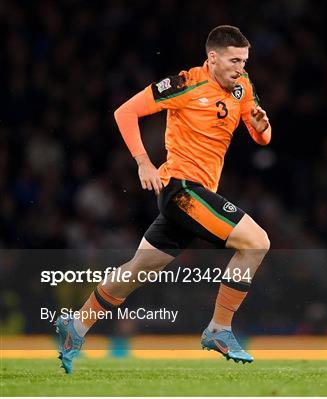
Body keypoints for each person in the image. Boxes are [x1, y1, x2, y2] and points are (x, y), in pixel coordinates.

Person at [55, 25, 271, 373]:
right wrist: (143, 162)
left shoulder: (241, 86)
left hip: (198, 196)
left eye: (245, 61)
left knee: (136, 271)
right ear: (212, 58)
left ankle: (76, 325)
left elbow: (262, 137)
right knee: (257, 242)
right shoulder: (185, 84)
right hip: (182, 190)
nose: (241, 68)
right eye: (234, 60)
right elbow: (124, 112)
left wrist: (261, 125)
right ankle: (219, 329)